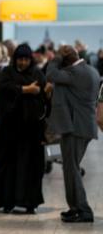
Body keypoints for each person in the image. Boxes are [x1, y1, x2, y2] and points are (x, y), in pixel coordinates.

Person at [46, 45, 99, 223]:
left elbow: (51, 75)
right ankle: (75, 208)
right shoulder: (89, 70)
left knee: (72, 169)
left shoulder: (76, 73)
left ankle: (84, 210)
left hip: (77, 127)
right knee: (70, 168)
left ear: (66, 60)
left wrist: (55, 58)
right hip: (80, 126)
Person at [0, 44, 46, 214]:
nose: (23, 63)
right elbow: (3, 90)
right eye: (20, 59)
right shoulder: (7, 73)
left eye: (26, 59)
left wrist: (39, 91)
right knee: (9, 167)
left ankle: (30, 202)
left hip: (31, 132)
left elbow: (43, 94)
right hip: (9, 131)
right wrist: (26, 90)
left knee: (31, 167)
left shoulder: (37, 73)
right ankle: (7, 201)